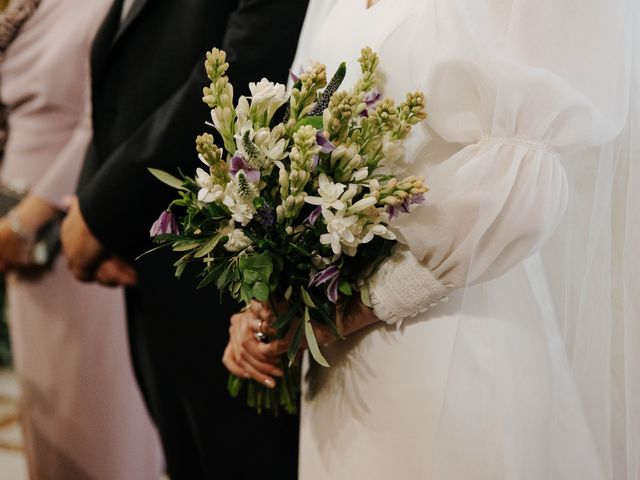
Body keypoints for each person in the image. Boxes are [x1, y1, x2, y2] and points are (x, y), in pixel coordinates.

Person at [227, 0, 638, 479]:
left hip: (445, 337)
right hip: (336, 364)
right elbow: (306, 138)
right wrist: (268, 303)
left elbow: (520, 186)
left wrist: (338, 315)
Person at [60, 0, 309, 477]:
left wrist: (101, 213)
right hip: (154, 259)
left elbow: (246, 67)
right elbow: (126, 66)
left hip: (228, 267)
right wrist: (95, 200)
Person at [0, 0, 163, 478]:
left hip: (78, 231)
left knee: (96, 423)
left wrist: (24, 223)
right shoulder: (29, 6)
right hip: (23, 247)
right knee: (45, 420)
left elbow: (100, 124)